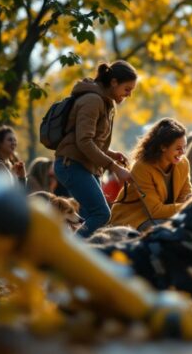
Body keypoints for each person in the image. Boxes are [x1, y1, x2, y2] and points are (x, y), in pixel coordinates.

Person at [54, 61, 136, 237]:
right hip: (72, 165)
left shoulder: (105, 102)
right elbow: (83, 141)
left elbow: (92, 141)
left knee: (90, 218)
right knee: (101, 214)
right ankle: (71, 251)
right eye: (127, 89)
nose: (129, 95)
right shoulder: (92, 100)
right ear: (114, 82)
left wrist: (111, 153)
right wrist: (114, 167)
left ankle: (81, 257)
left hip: (86, 167)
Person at [110, 118, 192, 230]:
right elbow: (155, 211)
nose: (183, 152)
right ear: (163, 147)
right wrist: (189, 206)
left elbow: (186, 195)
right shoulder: (142, 167)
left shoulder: (183, 163)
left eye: (184, 147)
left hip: (162, 217)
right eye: (178, 148)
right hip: (132, 220)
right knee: (168, 230)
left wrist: (191, 201)